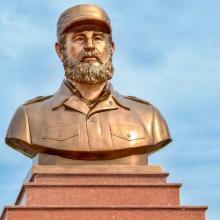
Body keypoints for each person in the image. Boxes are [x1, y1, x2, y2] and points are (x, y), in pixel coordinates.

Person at [5, 4, 171, 164]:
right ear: (60, 50)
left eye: (98, 38)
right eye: (79, 38)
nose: (90, 45)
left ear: (111, 48)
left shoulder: (148, 118)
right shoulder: (28, 118)